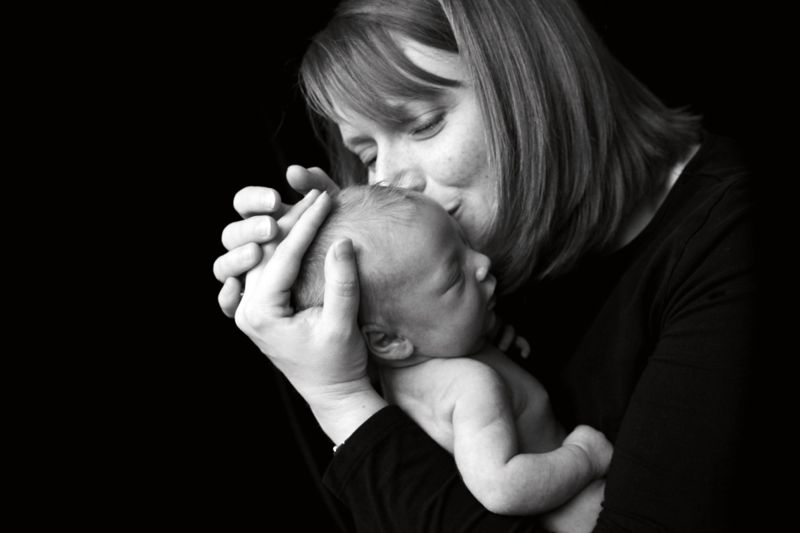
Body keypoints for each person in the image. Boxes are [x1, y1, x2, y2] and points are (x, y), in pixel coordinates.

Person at [213, 0, 756, 530]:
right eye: (369, 154)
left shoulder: (730, 248)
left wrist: (343, 405)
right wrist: (348, 287)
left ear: (535, 76)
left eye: (423, 124)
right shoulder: (471, 264)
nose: (390, 180)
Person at [292, 183, 613, 519]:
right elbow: (500, 488)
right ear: (389, 342)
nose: (483, 262)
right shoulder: (472, 386)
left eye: (465, 243)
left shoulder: (404, 375)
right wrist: (585, 456)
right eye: (455, 278)